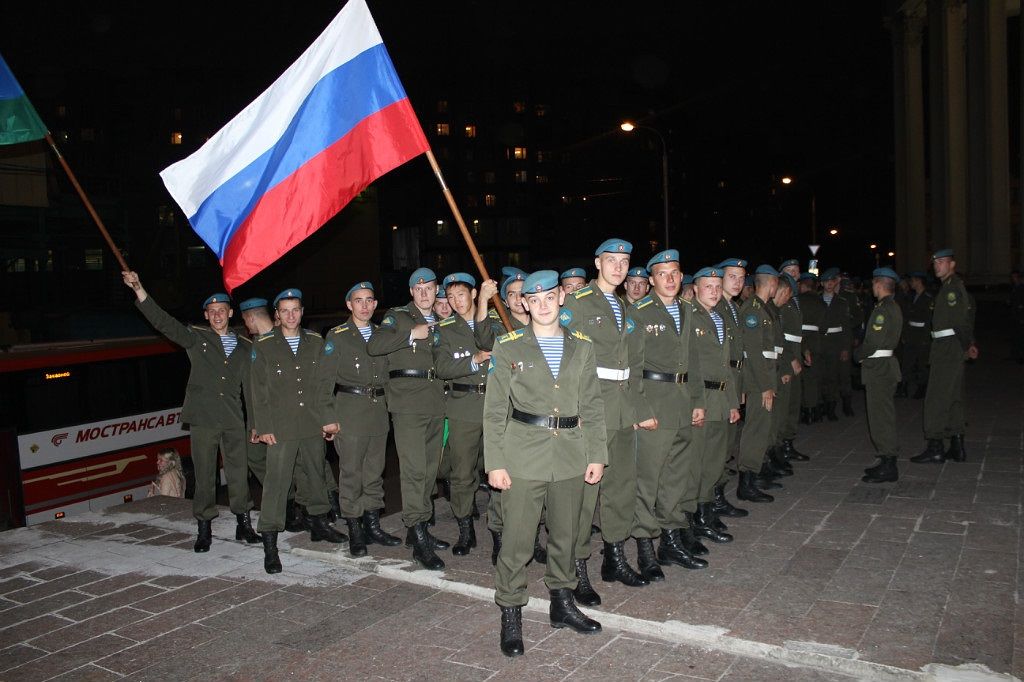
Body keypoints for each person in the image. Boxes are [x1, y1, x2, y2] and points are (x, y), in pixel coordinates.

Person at [484, 269, 607, 657]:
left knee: (566, 536)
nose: (541, 305)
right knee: (518, 542)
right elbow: (494, 411)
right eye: (533, 300)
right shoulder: (509, 346)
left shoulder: (582, 347)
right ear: (523, 303)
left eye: (549, 298)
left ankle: (562, 603)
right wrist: (496, 463)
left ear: (561, 299)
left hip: (570, 453)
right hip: (522, 455)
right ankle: (510, 611)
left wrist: (597, 454)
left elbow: (592, 404)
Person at [122, 271, 260, 552]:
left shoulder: (246, 347)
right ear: (207, 316)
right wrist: (140, 290)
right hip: (203, 419)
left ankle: (243, 524)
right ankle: (204, 528)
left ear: (231, 312)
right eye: (212, 312)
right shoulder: (196, 338)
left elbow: (252, 392)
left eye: (222, 310)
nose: (218, 315)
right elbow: (164, 323)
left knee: (238, 474)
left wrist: (255, 423)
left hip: (234, 419)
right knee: (205, 474)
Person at [560, 238, 646, 606]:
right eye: (611, 260)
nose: (618, 267)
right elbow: (565, 356)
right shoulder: (578, 303)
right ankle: (577, 568)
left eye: (624, 262)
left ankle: (614, 556)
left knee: (621, 486)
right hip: (591, 409)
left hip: (622, 407)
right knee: (583, 493)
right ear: (597, 262)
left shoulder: (625, 306)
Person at [251, 288, 345, 574]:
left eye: (296, 310)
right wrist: (264, 427)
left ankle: (318, 524)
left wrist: (328, 419)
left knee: (316, 474)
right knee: (277, 484)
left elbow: (323, 384)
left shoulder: (315, 342)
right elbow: (259, 390)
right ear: (277, 315)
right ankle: (270, 542)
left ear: (302, 312)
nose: (291, 315)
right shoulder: (265, 344)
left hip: (311, 422)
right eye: (285, 311)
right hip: (280, 427)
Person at [627, 249, 707, 577]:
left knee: (676, 476)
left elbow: (694, 359)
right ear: (651, 280)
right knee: (648, 479)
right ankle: (645, 545)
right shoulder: (640, 312)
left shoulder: (688, 310)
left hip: (682, 401)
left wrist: (698, 400)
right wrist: (640, 409)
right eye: (663, 274)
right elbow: (630, 367)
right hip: (654, 403)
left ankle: (670, 541)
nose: (671, 279)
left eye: (675, 272)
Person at [367, 267, 449, 569]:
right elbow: (374, 346)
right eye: (418, 288)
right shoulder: (398, 317)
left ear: (436, 289)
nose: (424, 293)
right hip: (407, 403)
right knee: (414, 469)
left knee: (429, 469)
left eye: (429, 287)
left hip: (436, 400)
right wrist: (410, 334)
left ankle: (421, 530)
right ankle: (416, 531)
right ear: (411, 292)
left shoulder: (443, 320)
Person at [321, 282, 402, 557]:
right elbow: (324, 380)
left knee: (374, 472)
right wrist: (328, 418)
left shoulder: (382, 334)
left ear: (376, 304)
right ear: (349, 305)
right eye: (359, 300)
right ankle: (354, 528)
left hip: (378, 411)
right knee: (351, 473)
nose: (365, 305)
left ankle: (372, 525)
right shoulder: (338, 335)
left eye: (369, 300)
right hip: (350, 412)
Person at [434, 272, 496, 556]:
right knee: (461, 473)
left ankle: (500, 530)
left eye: (461, 294)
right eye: (450, 296)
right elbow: (443, 368)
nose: (456, 301)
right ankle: (465, 530)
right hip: (463, 407)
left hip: (496, 406)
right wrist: (473, 360)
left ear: (474, 294)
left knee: (499, 470)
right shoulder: (445, 329)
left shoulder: (494, 321)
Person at [689, 267, 742, 543]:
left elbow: (726, 367)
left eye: (717, 286)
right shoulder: (688, 315)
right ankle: (693, 517)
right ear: (696, 288)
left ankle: (705, 511)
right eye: (707, 286)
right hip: (702, 399)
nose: (713, 291)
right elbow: (689, 365)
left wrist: (732, 402)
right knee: (697, 462)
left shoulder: (719, 318)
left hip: (720, 399)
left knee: (714, 462)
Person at [911, 249, 978, 464]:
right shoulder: (948, 287)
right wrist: (968, 344)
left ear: (952, 265)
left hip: (947, 347)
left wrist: (968, 344)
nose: (937, 266)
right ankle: (957, 446)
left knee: (936, 397)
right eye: (935, 262)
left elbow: (960, 321)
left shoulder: (951, 289)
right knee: (954, 397)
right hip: (949, 346)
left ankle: (935, 446)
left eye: (942, 262)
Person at [735, 265, 780, 503]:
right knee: (755, 429)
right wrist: (765, 386)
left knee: (762, 428)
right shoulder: (753, 310)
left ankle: (755, 475)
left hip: (764, 376)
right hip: (758, 380)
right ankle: (747, 482)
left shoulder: (762, 308)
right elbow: (753, 352)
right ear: (771, 283)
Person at [710, 258, 750, 522]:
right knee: (718, 447)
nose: (737, 282)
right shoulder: (716, 308)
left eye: (741, 277)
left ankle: (716, 496)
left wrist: (741, 388)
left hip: (734, 378)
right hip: (721, 383)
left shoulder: (733, 307)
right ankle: (713, 499)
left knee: (726, 445)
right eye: (732, 276)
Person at [857, 268, 903, 483]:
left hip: (879, 368)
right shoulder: (892, 306)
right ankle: (886, 459)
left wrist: (859, 354)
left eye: (873, 284)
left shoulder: (883, 309)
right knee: (882, 414)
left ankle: (888, 463)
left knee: (880, 417)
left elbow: (873, 341)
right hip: (884, 366)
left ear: (878, 284)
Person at [818, 268, 851, 422]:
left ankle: (839, 406)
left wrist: (845, 348)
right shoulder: (817, 300)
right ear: (822, 284)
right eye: (826, 282)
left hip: (836, 342)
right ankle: (825, 406)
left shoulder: (841, 302)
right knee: (824, 375)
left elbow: (846, 326)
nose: (829, 284)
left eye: (832, 281)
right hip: (821, 342)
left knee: (837, 376)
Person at [797, 273, 825, 423]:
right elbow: (824, 326)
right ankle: (812, 411)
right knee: (813, 378)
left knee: (801, 379)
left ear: (803, 285)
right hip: (815, 341)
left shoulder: (798, 300)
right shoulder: (820, 302)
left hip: (800, 340)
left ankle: (804, 410)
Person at [901, 272, 932, 399]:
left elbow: (929, 320)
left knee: (921, 364)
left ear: (919, 281)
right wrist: (905, 334)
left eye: (913, 280)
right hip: (910, 335)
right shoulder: (911, 296)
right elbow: (907, 317)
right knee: (907, 362)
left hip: (921, 336)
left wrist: (926, 338)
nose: (910, 283)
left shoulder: (928, 298)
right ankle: (904, 387)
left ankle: (922, 388)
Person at [1011, 270, 1024, 364]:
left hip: (1020, 316)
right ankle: (1016, 355)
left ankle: (1020, 356)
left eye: (1015, 277)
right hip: (1016, 316)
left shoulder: (1021, 288)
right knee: (1016, 336)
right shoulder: (1015, 287)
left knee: (1020, 337)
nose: (1013, 279)